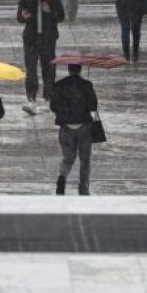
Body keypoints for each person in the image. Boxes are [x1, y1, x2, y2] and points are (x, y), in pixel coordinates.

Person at [50, 63, 99, 195]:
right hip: (84, 126)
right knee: (85, 159)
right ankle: (83, 187)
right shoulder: (87, 85)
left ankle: (62, 176)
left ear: (69, 69)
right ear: (80, 69)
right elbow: (93, 106)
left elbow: (53, 106)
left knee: (68, 157)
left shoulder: (59, 85)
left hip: (66, 126)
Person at [17, 0, 65, 114]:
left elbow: (61, 16)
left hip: (48, 38)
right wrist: (23, 16)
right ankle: (31, 97)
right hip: (31, 38)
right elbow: (19, 16)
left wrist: (50, 11)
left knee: (48, 68)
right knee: (31, 68)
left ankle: (48, 97)